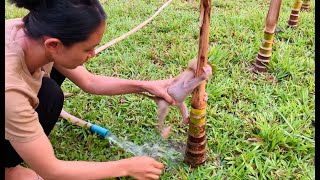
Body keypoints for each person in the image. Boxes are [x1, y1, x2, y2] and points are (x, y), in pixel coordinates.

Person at [5, 0, 176, 179]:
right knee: (49, 95)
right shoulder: (11, 90)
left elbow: (89, 82)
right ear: (54, 45)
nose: (93, 54)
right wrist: (126, 167)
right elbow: (51, 170)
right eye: (88, 48)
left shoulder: (34, 33)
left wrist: (145, 86)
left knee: (49, 92)